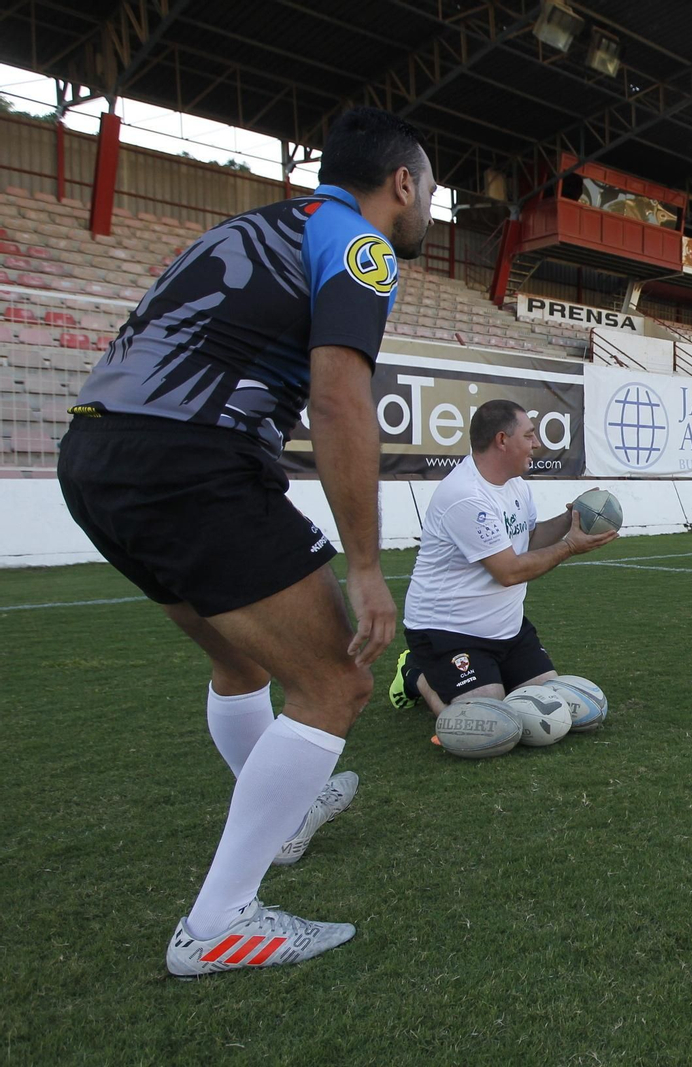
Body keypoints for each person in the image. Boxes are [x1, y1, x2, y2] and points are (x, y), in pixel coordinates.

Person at [55, 108, 435, 976]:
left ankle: (288, 817)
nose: (425, 211)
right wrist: (366, 566)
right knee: (336, 681)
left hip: (96, 456)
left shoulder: (260, 224)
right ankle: (219, 922)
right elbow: (339, 400)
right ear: (402, 183)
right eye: (428, 192)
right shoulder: (360, 244)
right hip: (190, 461)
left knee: (241, 661)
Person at [390, 401, 617, 717]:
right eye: (529, 435)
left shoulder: (516, 485)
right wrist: (569, 547)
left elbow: (529, 539)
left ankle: (485, 676)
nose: (536, 443)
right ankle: (416, 674)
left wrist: (572, 517)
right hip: (449, 632)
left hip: (507, 629)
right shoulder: (465, 495)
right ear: (502, 440)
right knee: (488, 718)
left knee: (560, 709)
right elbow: (508, 572)